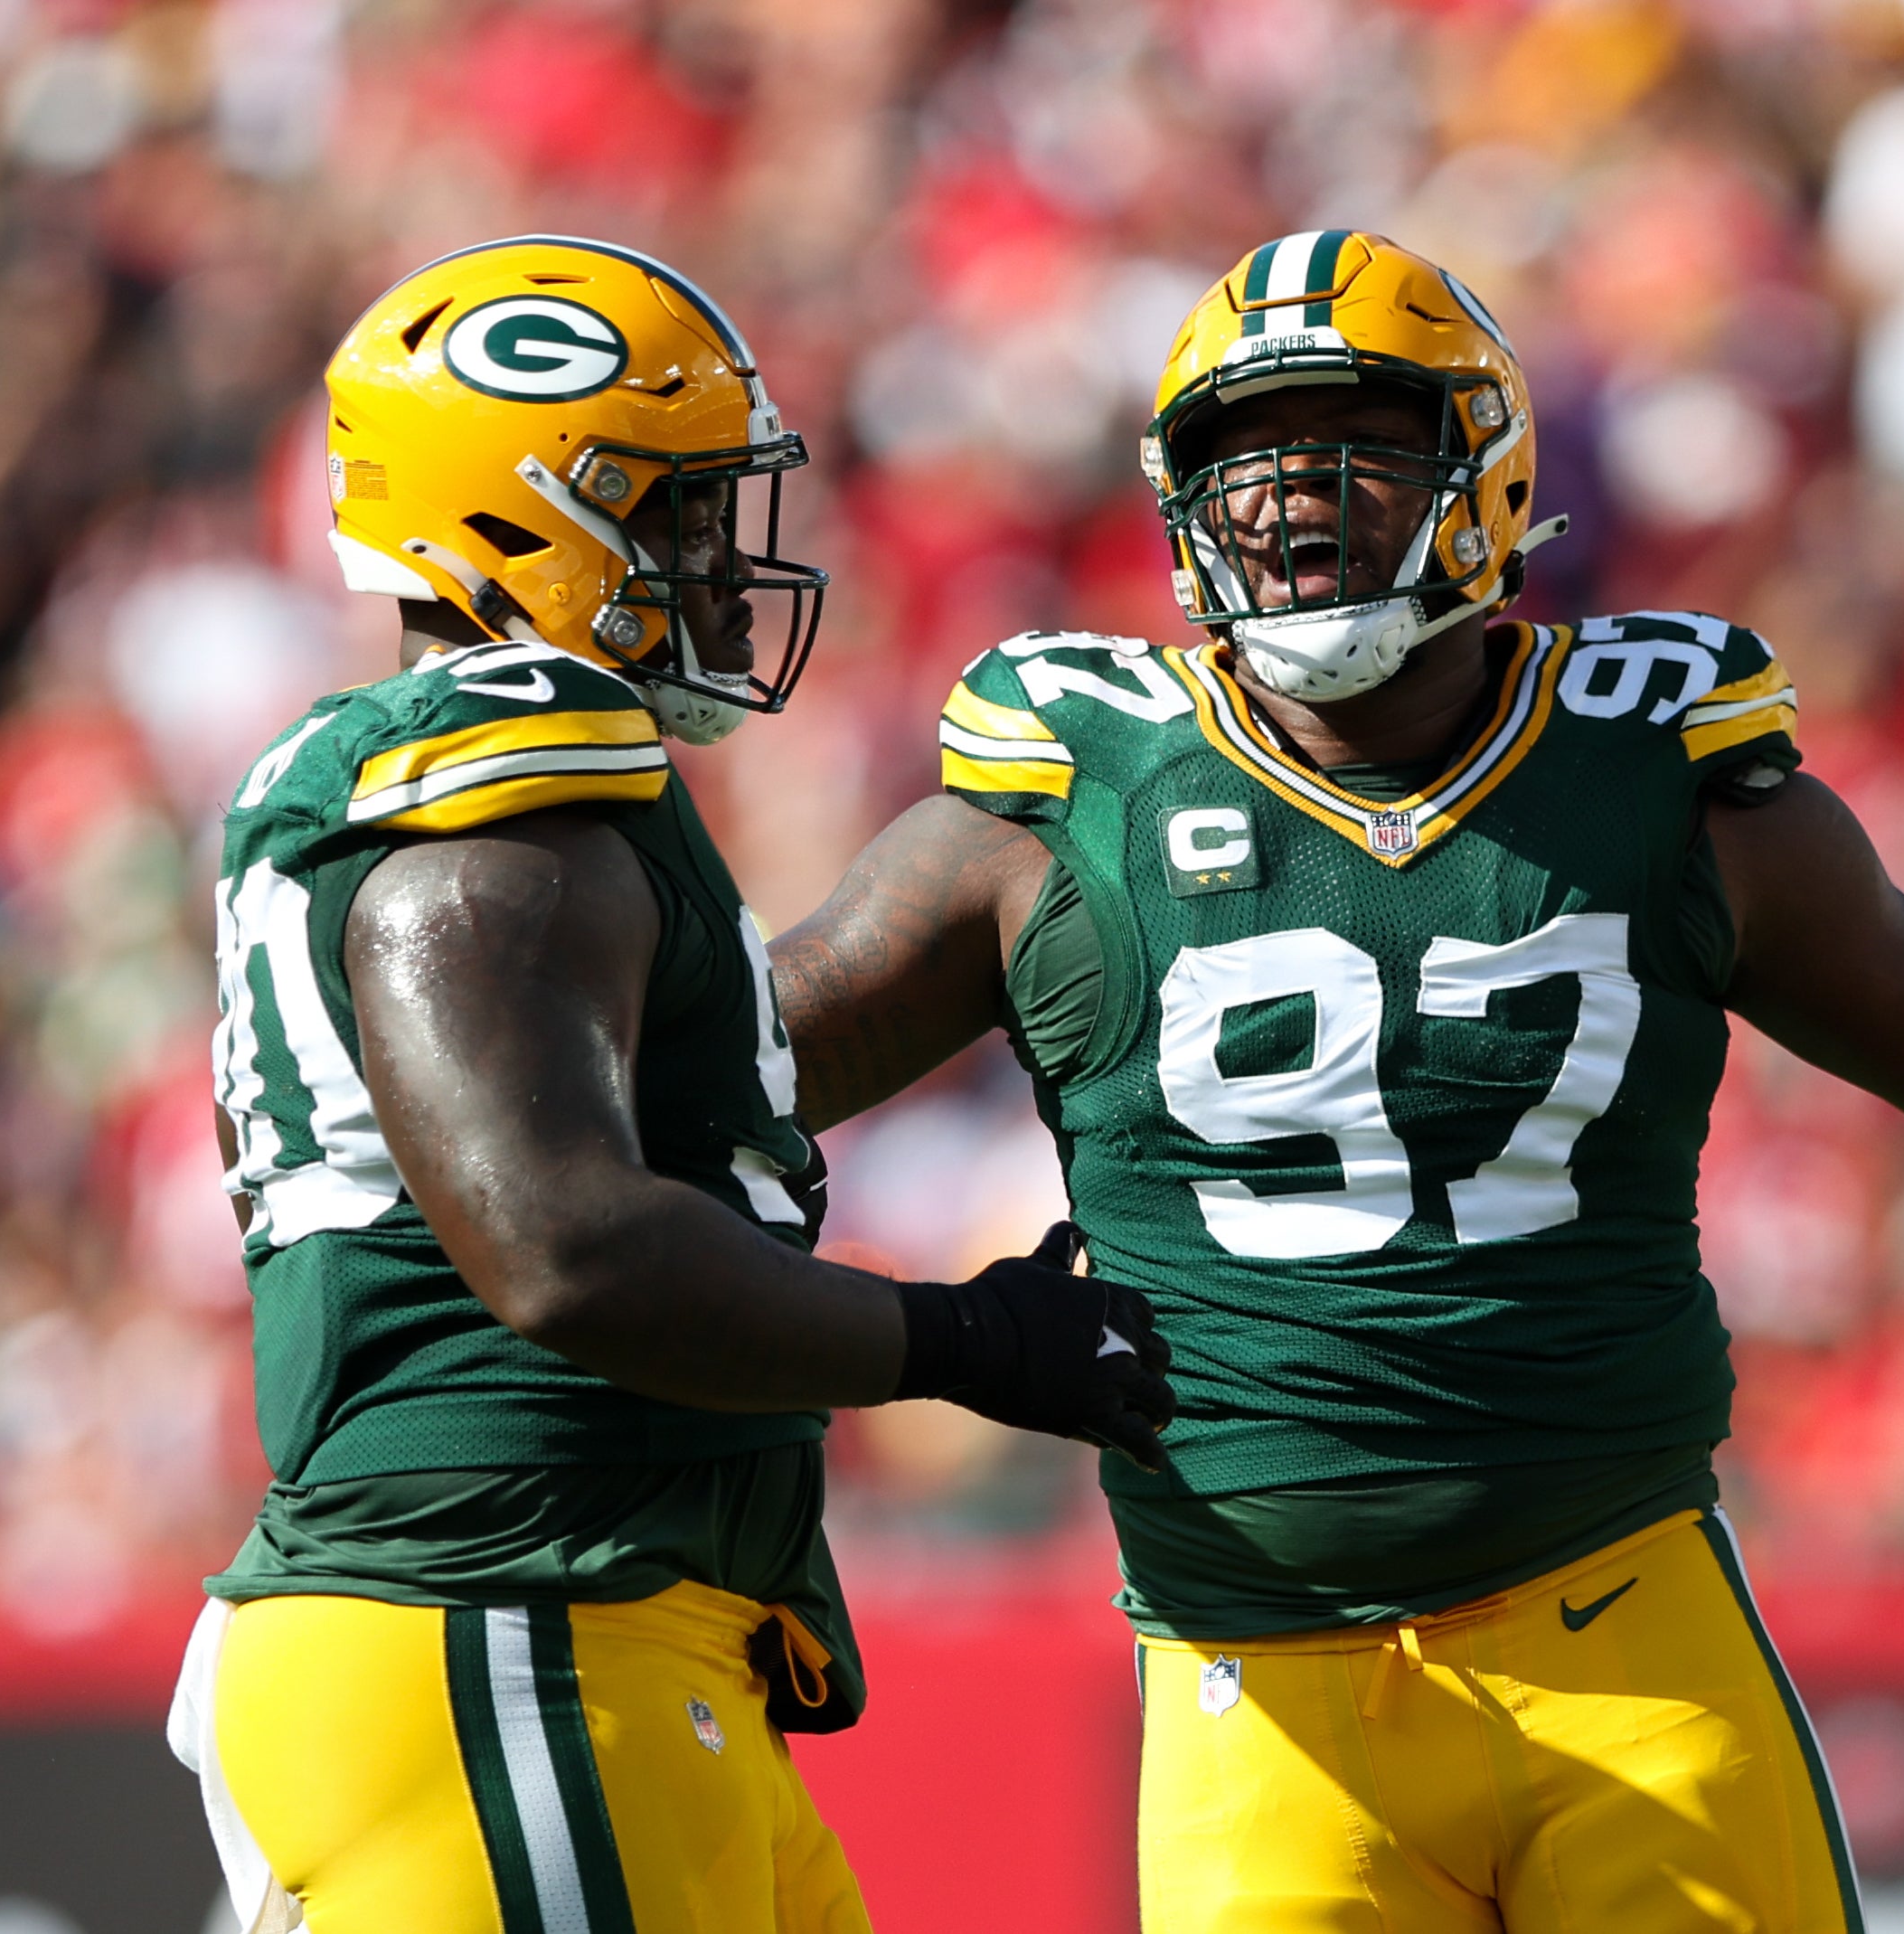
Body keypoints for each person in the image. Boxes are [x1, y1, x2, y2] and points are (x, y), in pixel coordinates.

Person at [766, 231, 1904, 1934]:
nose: (1288, 503)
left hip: (1627, 1635)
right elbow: (746, 1072)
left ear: (1488, 477)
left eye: (1355, 453)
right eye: (1242, 467)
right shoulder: (1065, 808)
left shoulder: (1655, 776)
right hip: (1258, 1689)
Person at [165, 235, 1175, 1934]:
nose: (719, 563)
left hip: (605, 1623)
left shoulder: (528, 800)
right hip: (498, 1615)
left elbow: (741, 1068)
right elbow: (561, 1244)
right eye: (675, 513)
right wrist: (965, 1344)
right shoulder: (501, 793)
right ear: (512, 519)